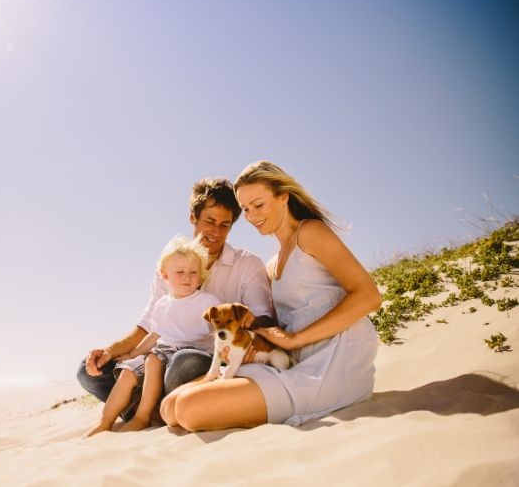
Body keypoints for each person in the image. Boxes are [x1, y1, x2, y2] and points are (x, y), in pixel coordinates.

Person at [161, 160, 381, 431]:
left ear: (283, 197)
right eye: (245, 209)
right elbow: (276, 326)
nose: (252, 216)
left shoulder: (310, 232)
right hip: (292, 361)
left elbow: (369, 296)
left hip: (333, 362)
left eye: (258, 204)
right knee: (169, 407)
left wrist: (295, 339)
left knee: (188, 409)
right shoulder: (271, 264)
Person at [77, 178, 274, 418]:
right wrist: (110, 351)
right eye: (209, 221)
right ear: (193, 217)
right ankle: (158, 409)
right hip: (160, 356)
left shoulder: (247, 264)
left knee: (184, 362)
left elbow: (263, 318)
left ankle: (151, 408)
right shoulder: (170, 264)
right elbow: (149, 324)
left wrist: (240, 337)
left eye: (225, 225)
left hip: (204, 358)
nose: (216, 231)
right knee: (88, 372)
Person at [84, 235, 219, 437]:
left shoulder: (207, 301)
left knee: (154, 359)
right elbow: (155, 335)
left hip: (192, 353)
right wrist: (133, 354)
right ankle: (104, 423)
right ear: (165, 276)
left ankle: (142, 417)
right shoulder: (162, 304)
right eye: (180, 272)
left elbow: (220, 332)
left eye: (193, 272)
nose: (187, 277)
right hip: (164, 350)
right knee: (129, 371)